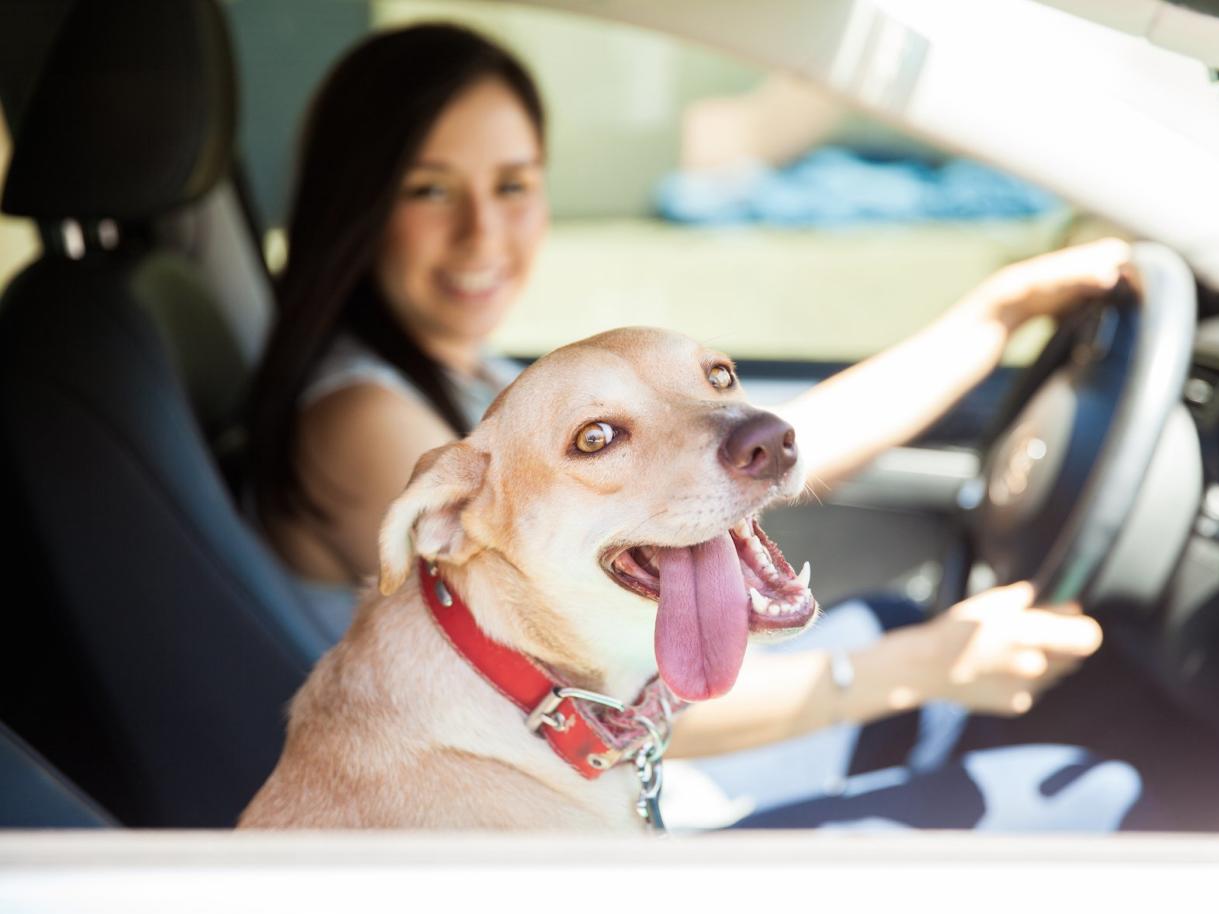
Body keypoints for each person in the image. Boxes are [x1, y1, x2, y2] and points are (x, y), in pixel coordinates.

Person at [245, 22, 1134, 829]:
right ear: (358, 203)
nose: (485, 232)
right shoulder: (365, 419)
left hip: (608, 756)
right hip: (550, 775)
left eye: (514, 184)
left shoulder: (471, 373)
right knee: (1090, 791)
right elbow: (586, 684)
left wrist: (994, 316)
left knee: (927, 639)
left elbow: (757, 445)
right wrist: (920, 669)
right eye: (431, 190)